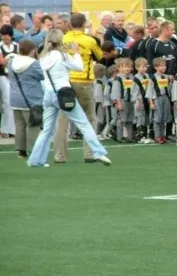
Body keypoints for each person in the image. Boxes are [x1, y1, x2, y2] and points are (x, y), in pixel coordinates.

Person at [27, 29, 111, 167]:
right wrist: (76, 52)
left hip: (48, 94)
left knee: (47, 129)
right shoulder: (63, 56)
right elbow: (79, 67)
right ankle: (98, 151)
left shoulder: (43, 57)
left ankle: (35, 159)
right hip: (63, 93)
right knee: (83, 123)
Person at [53, 13, 103, 164]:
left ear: (70, 23)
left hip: (65, 81)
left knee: (63, 119)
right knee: (88, 118)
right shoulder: (89, 40)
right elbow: (99, 56)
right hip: (83, 82)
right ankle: (90, 154)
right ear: (84, 24)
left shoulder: (64, 39)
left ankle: (59, 156)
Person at [8, 39, 44, 158]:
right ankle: (33, 150)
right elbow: (42, 75)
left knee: (20, 125)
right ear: (33, 50)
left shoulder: (11, 62)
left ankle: (21, 150)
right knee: (33, 125)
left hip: (15, 98)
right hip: (31, 99)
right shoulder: (33, 63)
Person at [146, 57, 172, 144]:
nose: (163, 67)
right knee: (157, 118)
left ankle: (162, 136)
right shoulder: (153, 78)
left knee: (164, 118)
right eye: (161, 66)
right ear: (156, 67)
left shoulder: (167, 77)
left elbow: (169, 89)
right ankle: (157, 136)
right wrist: (151, 103)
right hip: (157, 99)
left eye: (164, 65)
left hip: (165, 98)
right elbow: (149, 91)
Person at [112, 58, 135, 142]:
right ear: (120, 68)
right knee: (121, 120)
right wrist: (118, 103)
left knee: (130, 120)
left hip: (131, 101)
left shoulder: (132, 77)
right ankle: (120, 136)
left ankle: (129, 136)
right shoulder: (118, 78)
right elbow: (116, 91)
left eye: (129, 67)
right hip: (122, 100)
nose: (127, 69)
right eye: (125, 67)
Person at [132, 58, 152, 143]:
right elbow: (135, 92)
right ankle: (139, 137)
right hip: (140, 101)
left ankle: (145, 135)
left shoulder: (147, 76)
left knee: (146, 118)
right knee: (140, 118)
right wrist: (138, 101)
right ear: (137, 67)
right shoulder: (135, 79)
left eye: (146, 67)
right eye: (143, 67)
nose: (145, 69)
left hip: (146, 100)